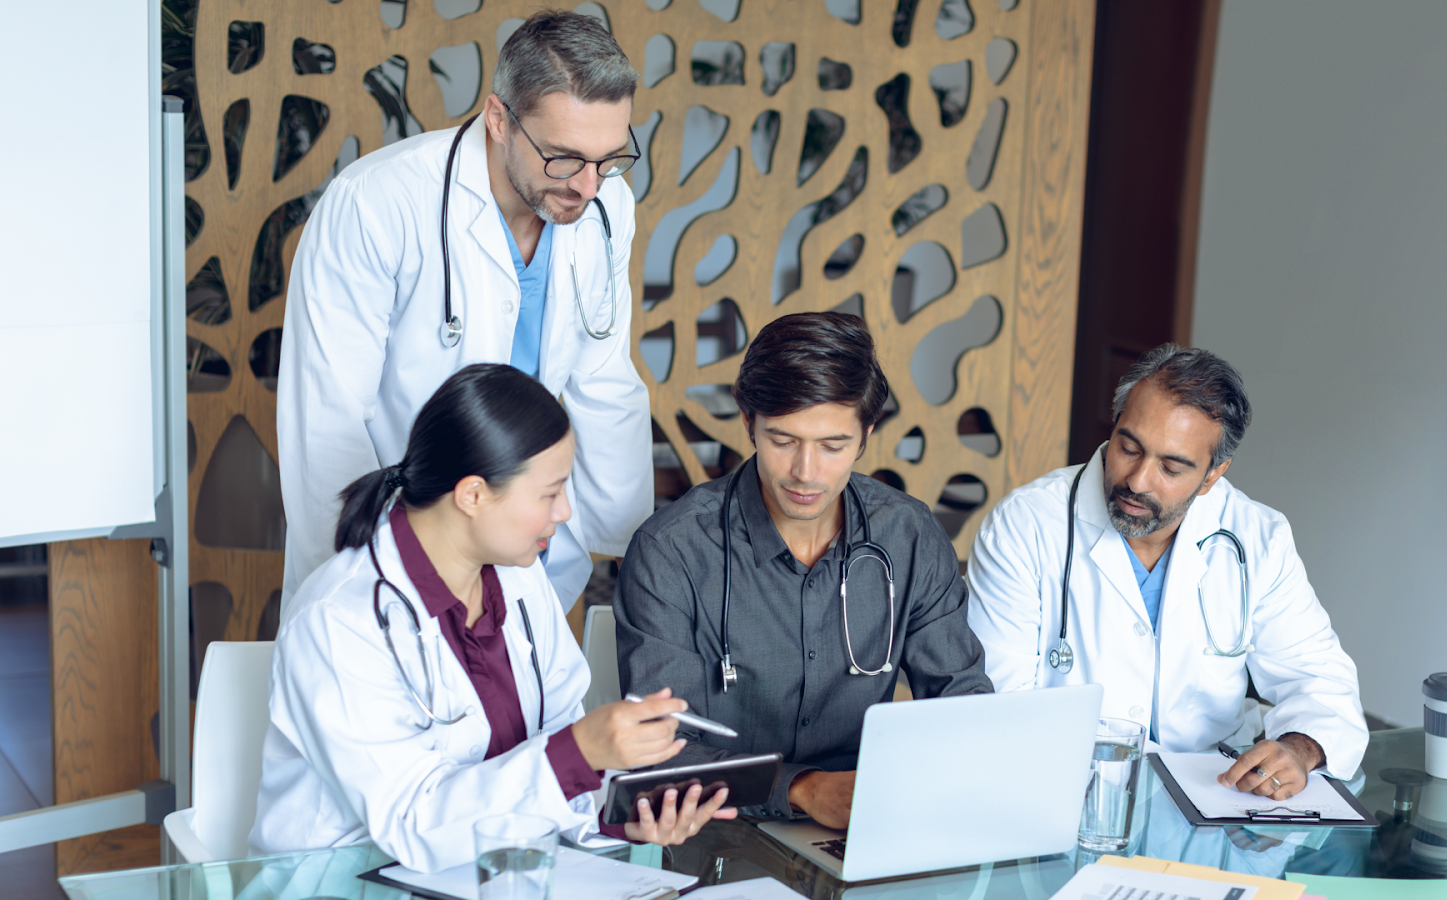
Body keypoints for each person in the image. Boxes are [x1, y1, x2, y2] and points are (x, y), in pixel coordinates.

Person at [251, 365, 734, 872]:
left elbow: (554, 763)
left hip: (490, 872)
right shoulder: (339, 622)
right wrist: (581, 749)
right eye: (550, 493)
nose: (565, 511)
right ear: (473, 494)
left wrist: (621, 814)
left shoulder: (520, 578)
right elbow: (412, 823)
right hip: (343, 879)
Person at [277, 10, 651, 621]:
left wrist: (635, 550)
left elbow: (602, 376)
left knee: (526, 707)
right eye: (563, 158)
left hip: (529, 550)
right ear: (498, 120)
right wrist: (362, 574)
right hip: (400, 548)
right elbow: (327, 418)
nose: (588, 185)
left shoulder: (608, 204)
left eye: (609, 158)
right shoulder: (377, 203)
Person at [613, 312, 993, 829]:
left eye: (833, 446)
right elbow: (660, 753)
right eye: (783, 440)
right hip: (719, 829)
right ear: (748, 422)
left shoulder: (908, 536)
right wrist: (802, 789)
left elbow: (962, 706)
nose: (805, 474)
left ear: (865, 436)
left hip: (869, 821)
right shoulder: (672, 553)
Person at [966, 344, 1367, 801]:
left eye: (1171, 467)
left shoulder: (1257, 537)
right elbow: (998, 706)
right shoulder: (1027, 525)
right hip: (1070, 792)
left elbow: (1321, 681)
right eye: (1128, 447)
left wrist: (1298, 748)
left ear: (1213, 475)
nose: (1137, 480)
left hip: (1219, 797)